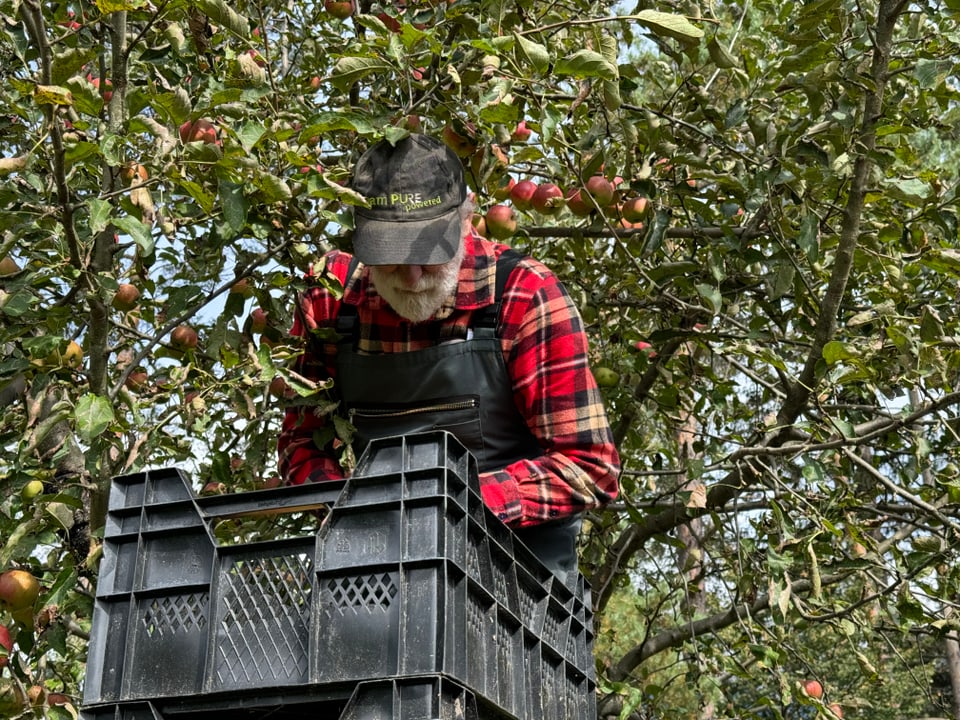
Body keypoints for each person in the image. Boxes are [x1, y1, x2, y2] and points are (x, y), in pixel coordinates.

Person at [277, 133, 620, 584]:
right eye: (391, 255)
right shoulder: (330, 298)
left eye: (428, 253)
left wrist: (457, 504)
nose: (413, 276)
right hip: (377, 577)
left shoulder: (523, 297)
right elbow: (302, 445)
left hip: (515, 590)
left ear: (467, 216)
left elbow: (589, 465)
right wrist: (347, 508)